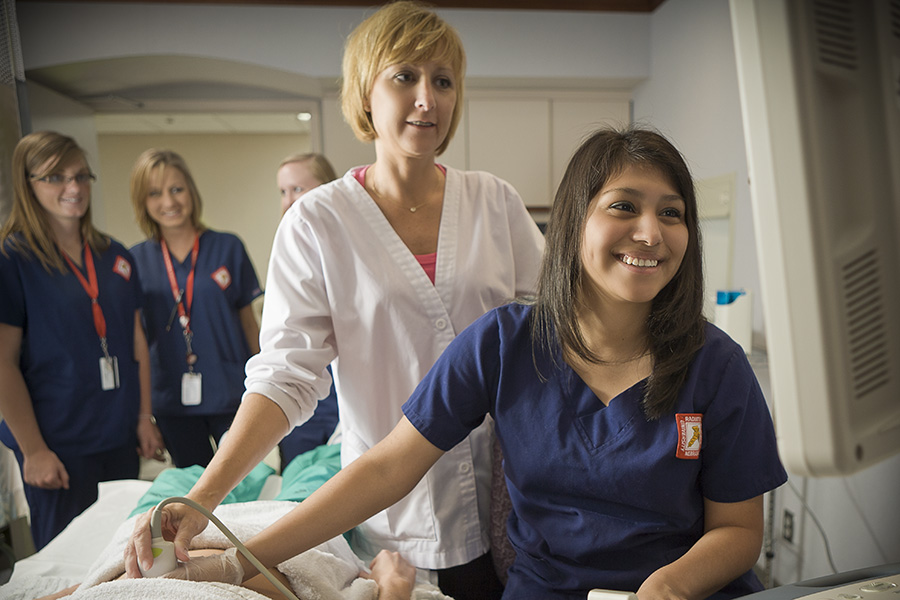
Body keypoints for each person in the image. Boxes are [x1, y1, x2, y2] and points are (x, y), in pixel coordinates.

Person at [143, 126, 789, 600]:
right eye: (624, 206)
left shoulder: (716, 365)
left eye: (671, 214)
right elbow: (386, 468)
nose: (650, 232)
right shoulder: (505, 344)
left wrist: (669, 588)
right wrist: (237, 558)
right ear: (574, 222)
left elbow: (737, 530)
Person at [125, 2, 546, 598]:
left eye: (443, 81)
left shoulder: (495, 205)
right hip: (391, 517)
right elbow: (285, 378)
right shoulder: (317, 223)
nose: (427, 98)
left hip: (506, 501)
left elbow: (556, 332)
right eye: (405, 76)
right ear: (365, 93)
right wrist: (204, 497)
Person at [0, 131, 165, 550]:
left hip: (117, 434)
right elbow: (3, 362)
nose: (73, 188)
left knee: (122, 555)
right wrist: (33, 450)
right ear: (27, 183)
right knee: (68, 560)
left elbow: (135, 343)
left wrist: (144, 417)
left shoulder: (116, 256)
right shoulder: (12, 260)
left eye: (81, 176)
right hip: (58, 445)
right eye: (55, 177)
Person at [129, 149, 263, 469]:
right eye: (155, 193)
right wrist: (144, 416)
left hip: (233, 393)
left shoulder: (228, 247)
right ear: (143, 201)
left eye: (177, 189)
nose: (169, 202)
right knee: (195, 494)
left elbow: (249, 324)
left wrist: (266, 387)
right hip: (173, 402)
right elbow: (137, 345)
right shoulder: (135, 261)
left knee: (244, 483)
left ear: (191, 191)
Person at [274, 152, 341, 467]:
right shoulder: (288, 254)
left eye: (297, 189)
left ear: (329, 188)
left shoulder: (356, 248)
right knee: (300, 483)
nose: (288, 202)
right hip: (300, 396)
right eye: (283, 192)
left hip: (345, 398)